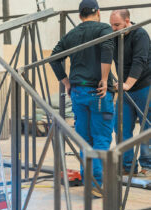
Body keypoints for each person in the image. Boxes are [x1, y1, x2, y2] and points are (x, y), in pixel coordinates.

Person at [50, 0, 115, 197]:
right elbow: (107, 50)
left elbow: (54, 58)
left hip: (77, 92)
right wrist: (104, 79)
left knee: (84, 139)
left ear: (80, 16)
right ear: (98, 12)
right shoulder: (104, 28)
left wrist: (67, 83)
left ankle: (89, 182)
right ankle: (97, 184)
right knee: (101, 139)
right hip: (98, 92)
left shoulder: (71, 34)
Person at [110, 9, 151, 177]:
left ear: (128, 21)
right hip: (125, 89)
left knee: (145, 127)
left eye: (117, 25)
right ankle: (127, 166)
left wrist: (127, 84)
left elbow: (139, 61)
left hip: (143, 86)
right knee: (121, 127)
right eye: (111, 25)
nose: (113, 28)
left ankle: (146, 165)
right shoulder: (114, 36)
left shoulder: (140, 34)